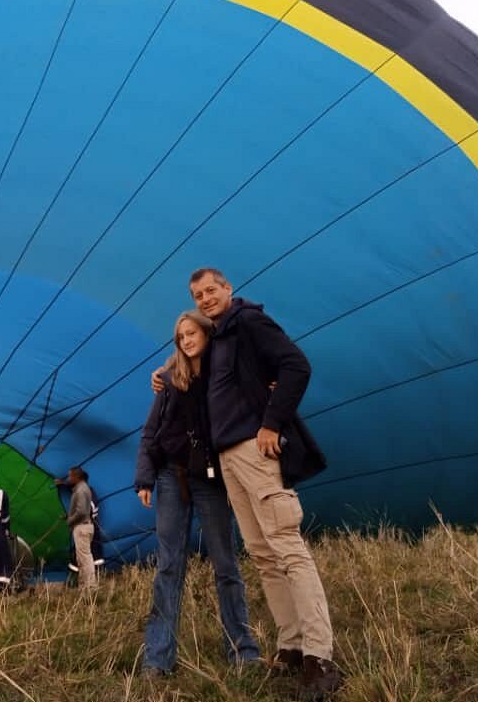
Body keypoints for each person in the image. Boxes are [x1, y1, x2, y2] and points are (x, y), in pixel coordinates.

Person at [154, 268, 341, 698]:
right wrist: (162, 375)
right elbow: (193, 366)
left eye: (211, 290)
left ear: (228, 288)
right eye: (198, 294)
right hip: (226, 460)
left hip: (254, 451)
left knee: (287, 548)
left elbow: (296, 364)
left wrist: (272, 423)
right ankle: (291, 645)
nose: (205, 298)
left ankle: (320, 656)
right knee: (262, 554)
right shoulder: (217, 337)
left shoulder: (249, 322)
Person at [135, 309, 261, 677]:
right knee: (169, 566)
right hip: (172, 477)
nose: (186, 341)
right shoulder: (171, 380)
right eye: (180, 337)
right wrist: (144, 477)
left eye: (192, 333)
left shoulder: (224, 377)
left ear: (207, 335)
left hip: (211, 480)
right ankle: (157, 658)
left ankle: (243, 651)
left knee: (226, 563)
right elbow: (150, 432)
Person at [64, 466, 97, 590]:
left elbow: (82, 511)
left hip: (82, 527)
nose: (68, 478)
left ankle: (90, 586)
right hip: (84, 526)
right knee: (81, 558)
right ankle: (84, 586)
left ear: (76, 477)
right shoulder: (81, 488)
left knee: (85, 558)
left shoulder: (81, 490)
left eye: (70, 476)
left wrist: (70, 520)